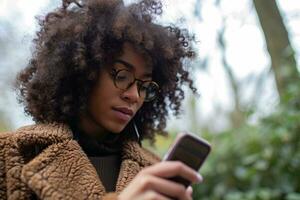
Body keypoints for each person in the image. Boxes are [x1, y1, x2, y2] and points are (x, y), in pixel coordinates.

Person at [0, 0, 203, 199]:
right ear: (82, 71)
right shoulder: (10, 154)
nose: (134, 95)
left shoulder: (155, 173)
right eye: (122, 76)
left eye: (144, 86)